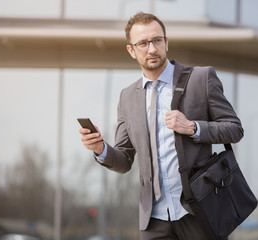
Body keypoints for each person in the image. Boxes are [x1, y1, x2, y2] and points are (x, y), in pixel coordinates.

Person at [79, 12, 243, 240]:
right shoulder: (127, 97)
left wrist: (193, 127)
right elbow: (125, 159)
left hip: (199, 209)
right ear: (131, 50)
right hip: (153, 218)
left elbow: (234, 128)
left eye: (157, 40)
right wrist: (100, 149)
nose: (152, 49)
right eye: (143, 43)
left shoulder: (200, 79)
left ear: (166, 42)